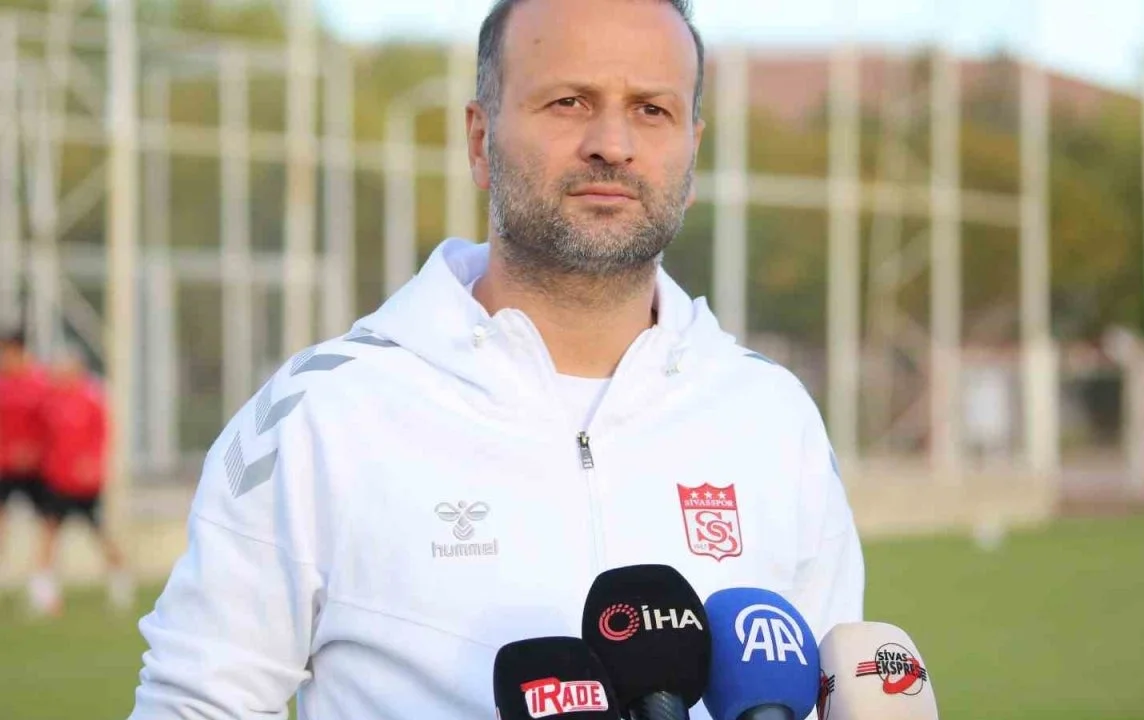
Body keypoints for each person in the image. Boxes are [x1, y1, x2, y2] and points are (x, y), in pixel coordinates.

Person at [130, 1, 865, 718]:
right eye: (570, 102)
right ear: (481, 140)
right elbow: (196, 704)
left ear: (692, 152)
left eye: (652, 110)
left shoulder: (772, 416)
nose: (613, 144)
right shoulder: (323, 413)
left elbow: (834, 696)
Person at [28, 347, 133, 616]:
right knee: (49, 532)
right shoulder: (50, 401)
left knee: (100, 533)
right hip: (56, 480)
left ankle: (121, 583)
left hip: (83, 484)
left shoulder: (91, 398)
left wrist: (93, 466)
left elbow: (102, 437)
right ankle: (44, 595)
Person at [0, 328, 50, 571]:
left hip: (35, 466)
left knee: (48, 522)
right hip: (4, 464)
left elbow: (51, 424)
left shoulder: (39, 383)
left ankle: (42, 577)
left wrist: (34, 451)